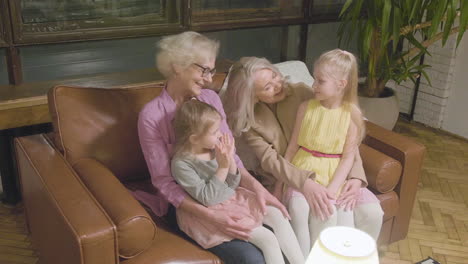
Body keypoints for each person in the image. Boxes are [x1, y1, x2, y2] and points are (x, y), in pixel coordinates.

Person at [134, 31, 288, 264]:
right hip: (187, 205)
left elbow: (230, 155)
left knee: (279, 220)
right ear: (177, 66)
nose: (208, 79)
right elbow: (164, 183)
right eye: (203, 70)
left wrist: (257, 188)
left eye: (211, 71)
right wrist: (212, 217)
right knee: (252, 258)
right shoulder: (151, 116)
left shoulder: (210, 99)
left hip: (224, 191)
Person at [223, 56, 383, 256]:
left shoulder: (303, 92)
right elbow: (270, 160)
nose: (278, 85)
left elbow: (342, 130)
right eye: (267, 87)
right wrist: (304, 182)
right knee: (319, 213)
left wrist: (356, 176)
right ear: (252, 97)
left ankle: (356, 257)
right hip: (290, 176)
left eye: (275, 76)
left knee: (372, 213)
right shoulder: (250, 121)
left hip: (333, 171)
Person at [171, 100, 304, 264]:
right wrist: (223, 166)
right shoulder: (182, 164)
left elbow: (231, 185)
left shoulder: (213, 149)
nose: (220, 135)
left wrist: (231, 161)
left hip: (233, 199)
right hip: (210, 211)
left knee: (278, 215)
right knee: (267, 239)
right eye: (214, 132)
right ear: (194, 139)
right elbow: (208, 198)